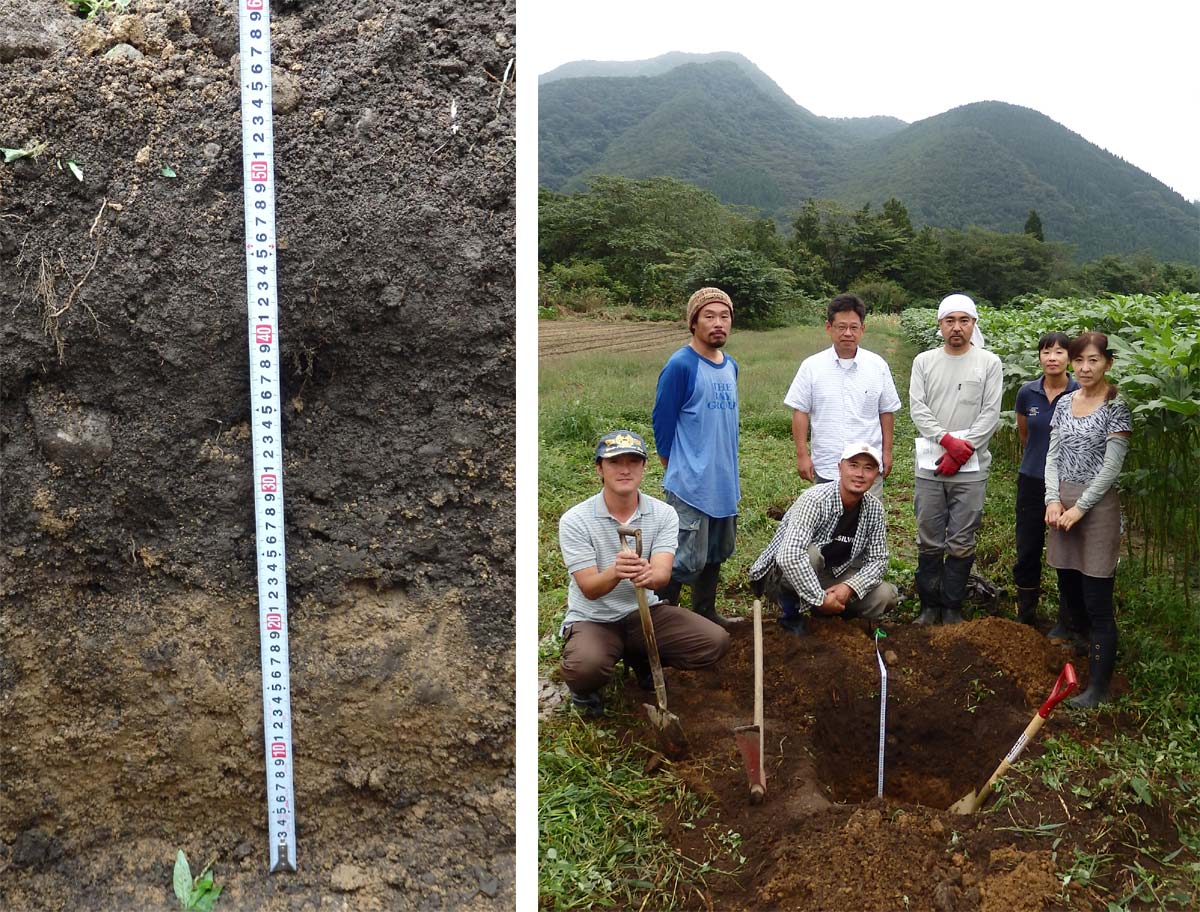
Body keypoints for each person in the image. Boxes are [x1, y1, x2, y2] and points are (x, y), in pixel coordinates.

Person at [557, 429, 731, 717]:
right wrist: (616, 571)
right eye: (614, 462)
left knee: (714, 642)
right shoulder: (576, 520)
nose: (625, 470)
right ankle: (584, 693)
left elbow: (662, 574)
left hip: (643, 613)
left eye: (633, 461)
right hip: (595, 619)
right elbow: (589, 587)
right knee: (584, 667)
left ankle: (640, 656)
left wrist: (648, 574)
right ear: (599, 468)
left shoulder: (663, 514)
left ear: (644, 467)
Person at [1044, 333, 1132, 708]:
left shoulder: (1116, 406)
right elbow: (1053, 454)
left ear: (1107, 363)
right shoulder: (1065, 402)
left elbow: (1112, 467)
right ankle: (1080, 651)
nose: (1084, 368)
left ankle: (1098, 687)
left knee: (1097, 596)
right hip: (1062, 500)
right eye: (1079, 360)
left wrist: (1081, 508)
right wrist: (1052, 500)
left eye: (1093, 360)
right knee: (1068, 581)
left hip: (1096, 508)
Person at [909, 293, 1003, 625]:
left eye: (964, 320)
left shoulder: (989, 363)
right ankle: (929, 605)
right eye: (950, 321)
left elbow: (990, 413)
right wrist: (947, 440)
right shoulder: (924, 361)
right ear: (940, 325)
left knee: (962, 537)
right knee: (929, 535)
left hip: (972, 466)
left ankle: (952, 606)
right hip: (930, 463)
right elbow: (918, 409)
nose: (957, 328)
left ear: (973, 324)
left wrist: (963, 451)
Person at [652, 287, 741, 626]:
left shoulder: (731, 366)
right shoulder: (681, 365)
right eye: (709, 316)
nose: (718, 323)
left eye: (724, 316)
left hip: (723, 480)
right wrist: (675, 467)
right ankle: (664, 625)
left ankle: (706, 613)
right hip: (690, 483)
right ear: (693, 323)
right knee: (681, 559)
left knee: (715, 552)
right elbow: (662, 422)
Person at [748, 442, 898, 635]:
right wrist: (820, 599)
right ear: (840, 468)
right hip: (783, 576)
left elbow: (878, 561)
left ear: (876, 474)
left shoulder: (875, 509)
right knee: (810, 555)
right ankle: (791, 614)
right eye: (853, 466)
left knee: (886, 595)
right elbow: (789, 556)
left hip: (832, 576)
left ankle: (832, 615)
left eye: (868, 468)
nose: (860, 474)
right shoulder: (815, 500)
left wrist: (848, 588)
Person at [785, 293, 901, 496]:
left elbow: (886, 412)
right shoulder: (812, 366)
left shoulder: (877, 366)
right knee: (827, 524)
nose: (848, 333)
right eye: (841, 327)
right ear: (828, 327)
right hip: (828, 465)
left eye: (854, 327)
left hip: (868, 465)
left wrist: (887, 453)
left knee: (868, 522)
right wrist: (802, 454)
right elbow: (800, 411)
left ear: (862, 329)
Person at [1013, 332, 1079, 628]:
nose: (1052, 358)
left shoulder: (1080, 392)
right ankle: (1026, 613)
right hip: (1031, 478)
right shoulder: (1027, 393)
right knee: (1027, 545)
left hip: (1069, 483)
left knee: (1066, 549)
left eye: (1059, 352)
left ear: (1069, 358)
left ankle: (1067, 617)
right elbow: (1025, 436)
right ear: (1039, 357)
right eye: (1046, 352)